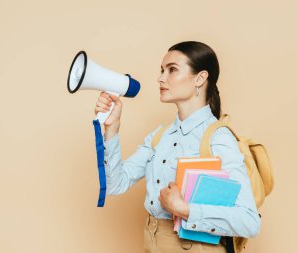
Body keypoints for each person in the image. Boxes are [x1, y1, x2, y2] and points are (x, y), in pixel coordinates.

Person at [94, 41, 261, 253]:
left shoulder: (218, 138)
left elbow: (249, 221)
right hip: (151, 241)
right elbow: (115, 184)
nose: (161, 78)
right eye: (162, 70)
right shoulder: (160, 136)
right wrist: (112, 128)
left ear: (200, 78)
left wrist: (184, 209)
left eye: (172, 70)